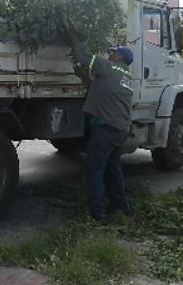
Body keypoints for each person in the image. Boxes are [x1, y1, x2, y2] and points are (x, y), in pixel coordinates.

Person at [66, 27, 134, 223]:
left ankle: (98, 214)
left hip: (105, 129)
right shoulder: (126, 77)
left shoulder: (108, 67)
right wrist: (82, 76)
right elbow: (96, 88)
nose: (110, 54)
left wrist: (72, 35)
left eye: (113, 52)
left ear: (120, 57)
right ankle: (121, 207)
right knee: (113, 169)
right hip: (120, 130)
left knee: (95, 170)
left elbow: (83, 56)